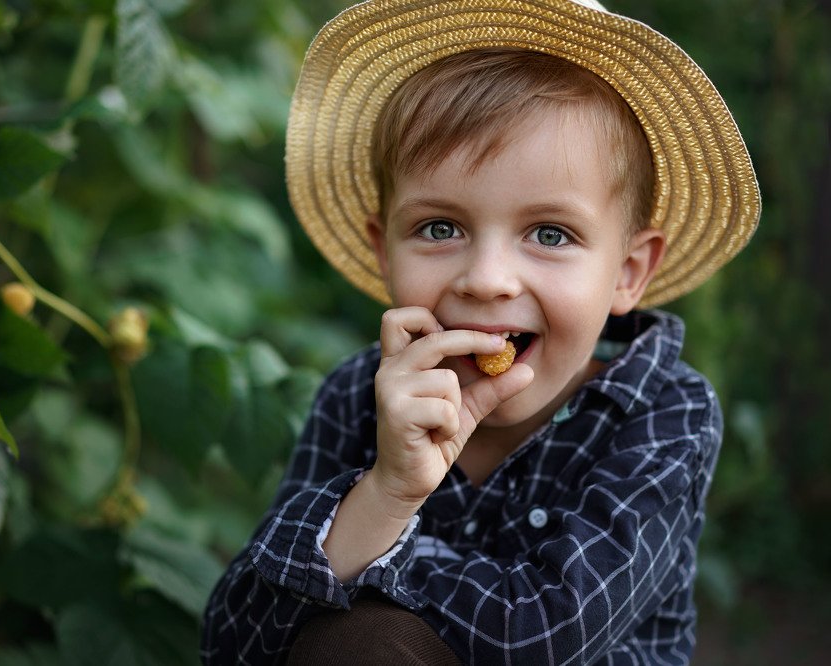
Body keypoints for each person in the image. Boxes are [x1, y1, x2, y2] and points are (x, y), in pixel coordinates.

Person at [202, 0, 760, 663]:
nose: (487, 279)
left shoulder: (663, 410)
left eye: (550, 234)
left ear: (627, 273)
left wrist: (370, 554)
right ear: (386, 251)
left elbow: (545, 633)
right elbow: (233, 645)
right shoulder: (359, 396)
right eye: (440, 228)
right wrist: (387, 493)